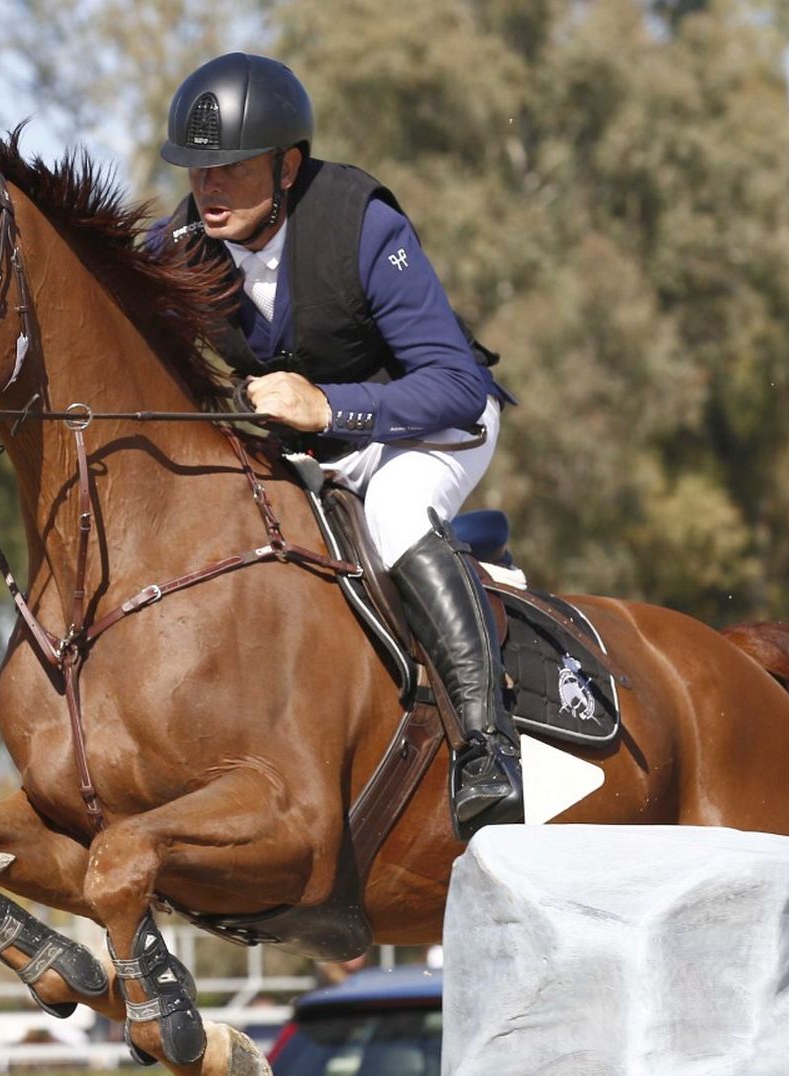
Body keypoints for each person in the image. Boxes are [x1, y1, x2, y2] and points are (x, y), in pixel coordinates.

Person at [158, 52, 522, 836]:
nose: (207, 187)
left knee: (394, 510)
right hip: (311, 444)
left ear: (288, 165)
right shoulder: (181, 246)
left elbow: (457, 384)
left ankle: (489, 748)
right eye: (197, 170)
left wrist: (328, 406)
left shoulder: (361, 221)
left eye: (229, 168)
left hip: (429, 427)